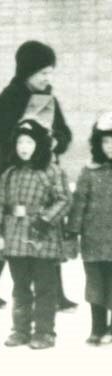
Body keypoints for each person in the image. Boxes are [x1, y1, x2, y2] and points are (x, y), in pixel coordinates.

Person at [0, 40, 76, 311]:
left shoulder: (48, 100)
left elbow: (65, 132)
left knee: (48, 225)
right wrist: (39, 143)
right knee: (8, 227)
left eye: (50, 72)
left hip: (44, 177)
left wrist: (58, 141)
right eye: (43, 72)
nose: (48, 77)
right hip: (14, 177)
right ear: (27, 72)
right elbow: (8, 141)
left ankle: (56, 294)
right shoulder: (8, 99)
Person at [0, 119, 71, 349]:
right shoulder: (10, 174)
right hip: (14, 237)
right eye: (20, 142)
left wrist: (45, 220)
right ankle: (20, 330)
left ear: (40, 144)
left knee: (45, 286)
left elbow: (64, 200)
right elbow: (0, 203)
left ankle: (44, 332)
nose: (24, 147)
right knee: (20, 286)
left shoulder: (52, 172)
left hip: (42, 238)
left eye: (29, 142)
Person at [66, 112, 112, 345]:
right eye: (105, 141)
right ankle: (97, 326)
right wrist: (72, 233)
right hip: (93, 240)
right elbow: (79, 203)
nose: (110, 146)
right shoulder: (90, 171)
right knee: (95, 285)